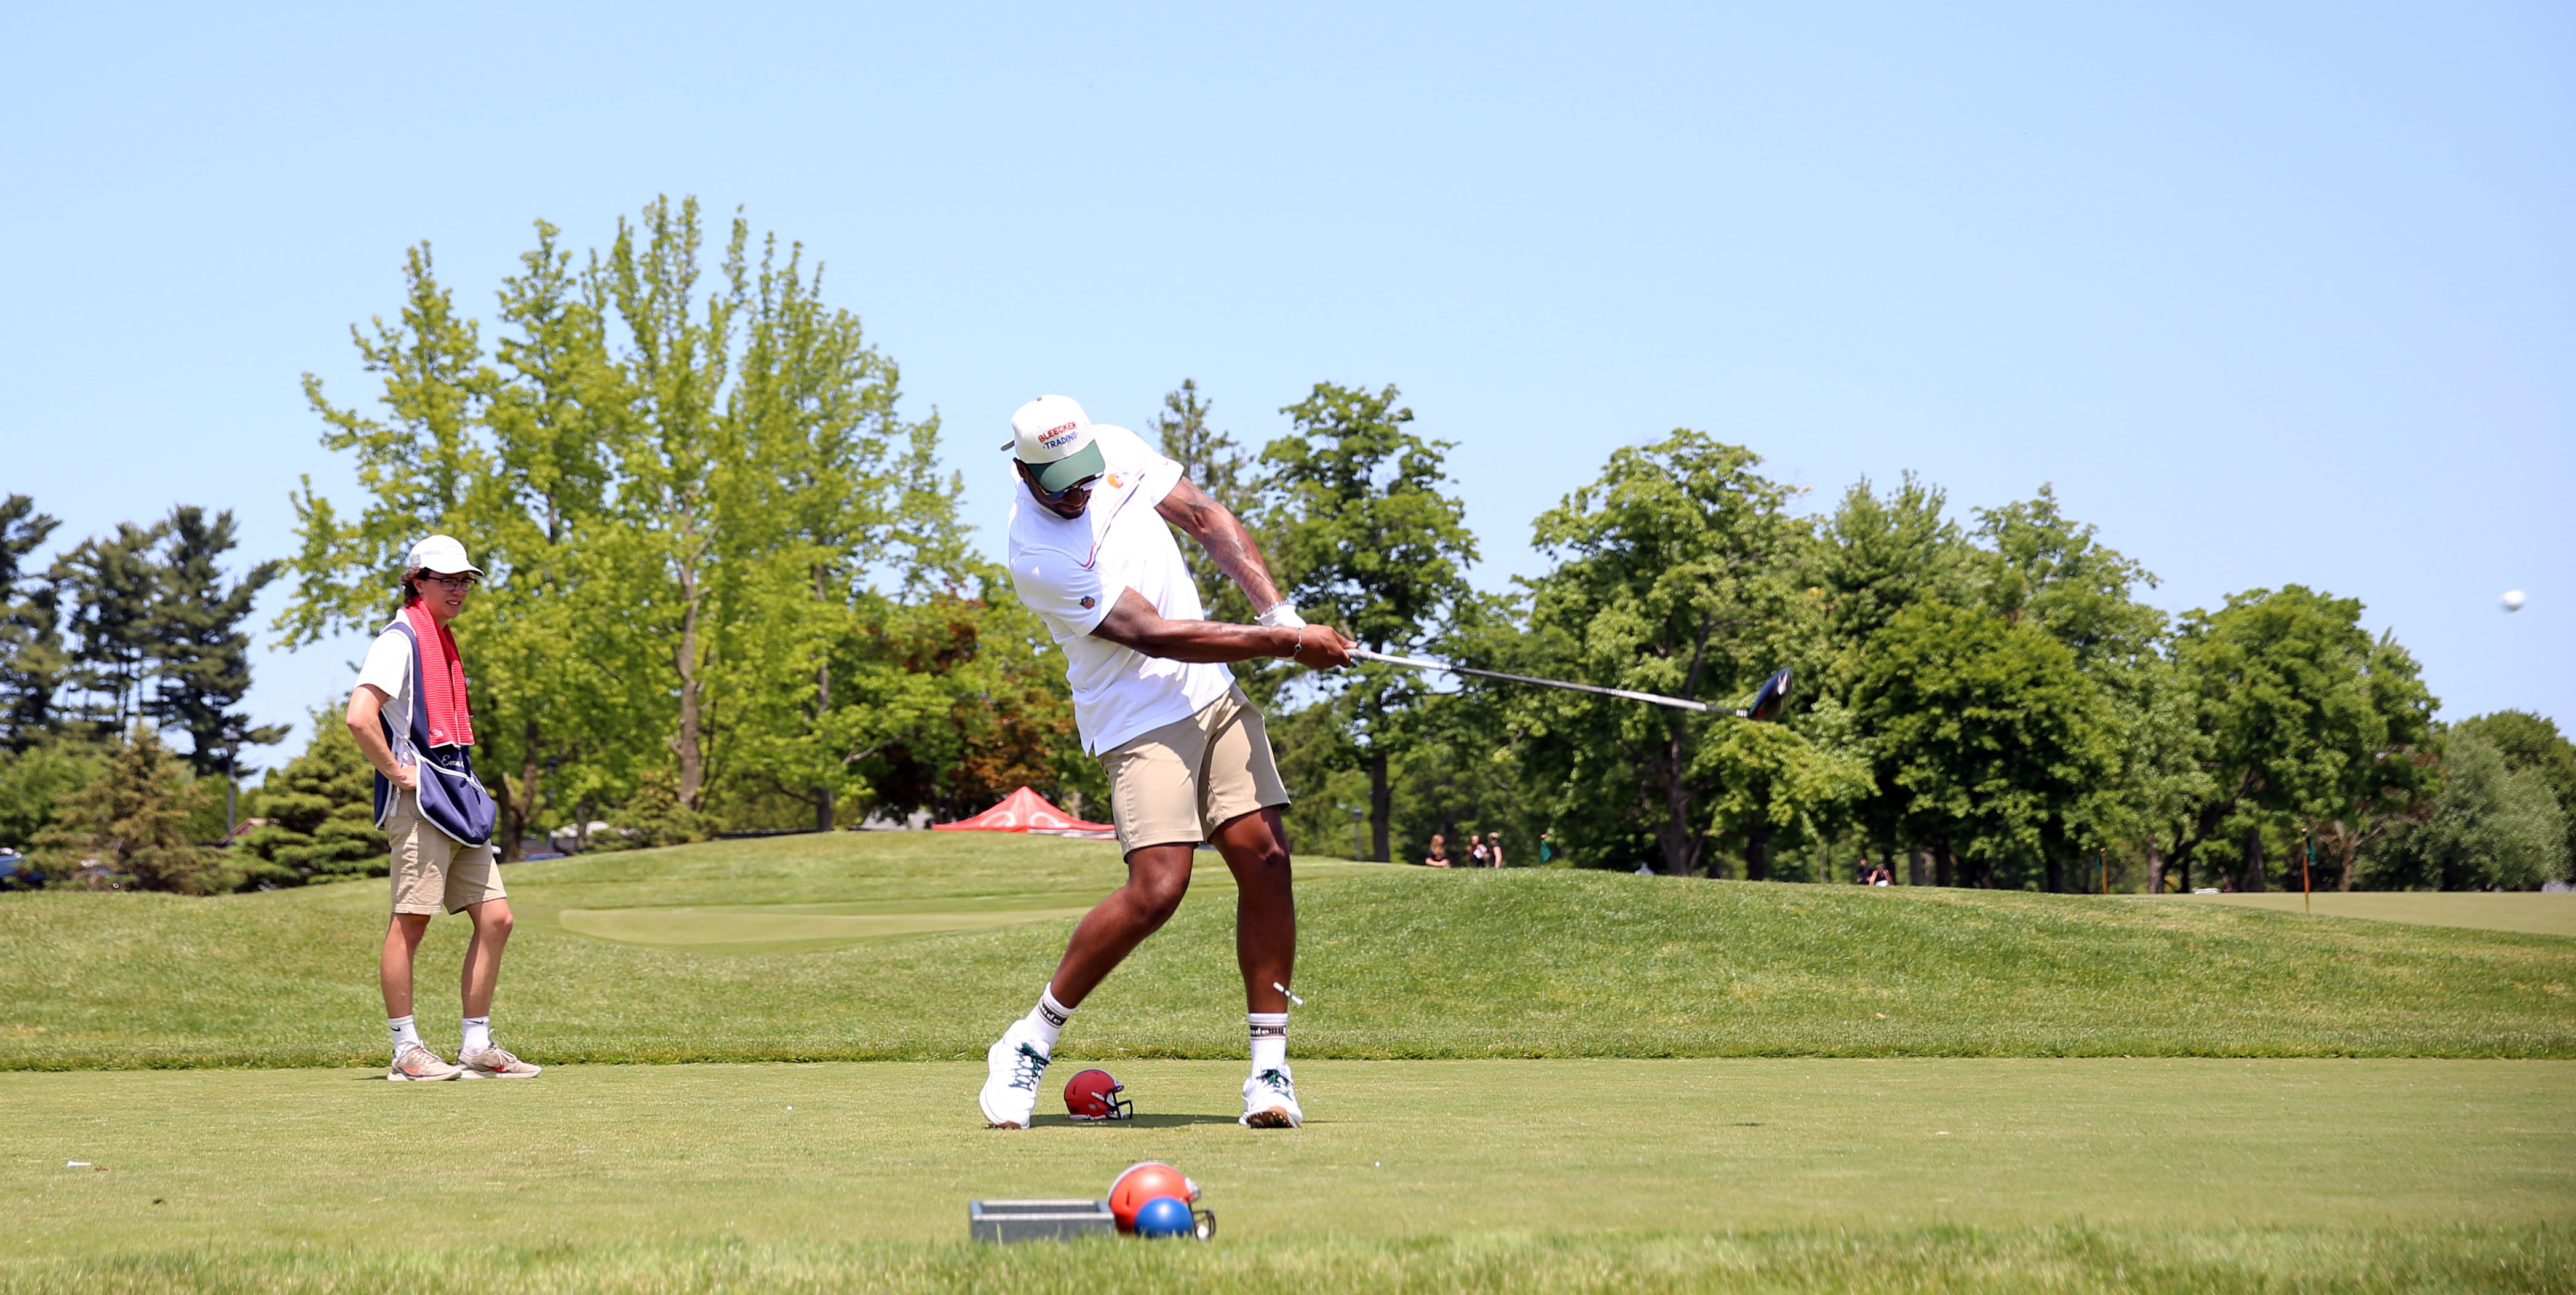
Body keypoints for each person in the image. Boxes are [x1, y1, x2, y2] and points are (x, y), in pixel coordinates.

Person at [978, 395, 1355, 1131]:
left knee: (1267, 859)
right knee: (1158, 889)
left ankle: (1269, 1070)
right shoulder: (1038, 558)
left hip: (1213, 696)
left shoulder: (1111, 448)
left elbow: (1207, 520)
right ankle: (1031, 1038)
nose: (1082, 487)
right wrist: (1285, 644)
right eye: (1063, 480)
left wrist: (1280, 616)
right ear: (1024, 474)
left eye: (1086, 471)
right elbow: (1152, 635)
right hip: (1137, 718)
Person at [345, 535, 539, 1082]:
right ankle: (406, 1051)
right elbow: (360, 716)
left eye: (464, 581)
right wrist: (396, 772)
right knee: (410, 923)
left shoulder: (443, 640)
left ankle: (476, 1044)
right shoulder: (400, 639)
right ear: (417, 581)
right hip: (420, 801)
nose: (458, 590)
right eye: (446, 580)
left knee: (497, 918)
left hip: (457, 796)